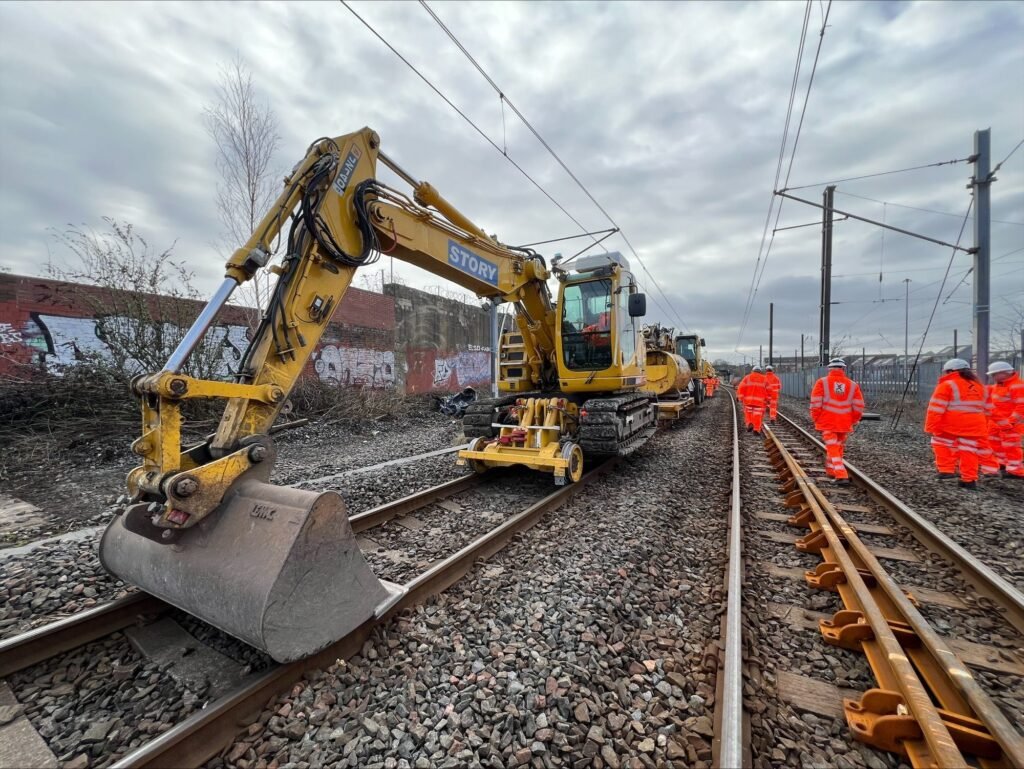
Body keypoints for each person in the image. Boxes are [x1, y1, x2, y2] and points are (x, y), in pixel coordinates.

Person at [924, 358, 991, 490]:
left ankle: (946, 470)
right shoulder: (980, 387)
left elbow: (936, 408)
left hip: (950, 425)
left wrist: (931, 426)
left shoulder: (947, 385)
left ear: (950, 371)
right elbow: (988, 409)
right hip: (975, 426)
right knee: (969, 451)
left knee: (940, 444)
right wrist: (983, 425)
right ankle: (969, 480)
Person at [809, 358, 865, 486]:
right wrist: (853, 420)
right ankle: (831, 471)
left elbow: (816, 403)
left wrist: (816, 418)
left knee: (833, 447)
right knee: (837, 447)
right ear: (843, 369)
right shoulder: (852, 385)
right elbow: (859, 406)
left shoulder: (822, 382)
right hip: (844, 422)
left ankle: (841, 475)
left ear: (829, 369)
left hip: (827, 421)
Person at [985, 360, 1024, 479]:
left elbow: (1021, 406)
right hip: (996, 423)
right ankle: (1001, 464)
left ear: (1004, 373)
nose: (993, 377)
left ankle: (1015, 471)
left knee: (1011, 447)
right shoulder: (998, 386)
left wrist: (1010, 422)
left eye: (994, 374)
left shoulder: (1017, 385)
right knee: (995, 445)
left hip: (1010, 424)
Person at [738, 365, 768, 434]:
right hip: (759, 402)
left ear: (752, 371)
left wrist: (740, 397)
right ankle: (756, 429)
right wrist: (767, 399)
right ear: (760, 371)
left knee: (748, 414)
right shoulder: (764, 379)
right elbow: (768, 390)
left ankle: (749, 424)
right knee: (757, 416)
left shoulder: (747, 377)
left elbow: (741, 388)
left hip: (748, 401)